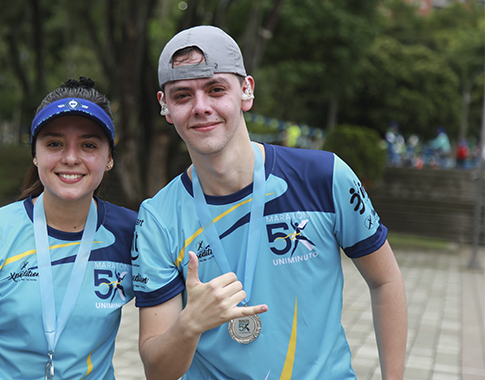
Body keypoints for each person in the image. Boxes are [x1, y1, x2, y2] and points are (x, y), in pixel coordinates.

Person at [131, 25, 407, 380]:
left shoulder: (324, 177)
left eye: (216, 90)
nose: (201, 107)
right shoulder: (156, 218)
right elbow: (157, 371)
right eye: (182, 96)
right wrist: (189, 326)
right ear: (165, 107)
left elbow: (386, 281)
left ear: (246, 91)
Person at [0, 77, 137, 379]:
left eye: (89, 145)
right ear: (35, 153)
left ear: (109, 160)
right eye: (54, 143)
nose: (70, 158)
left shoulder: (133, 233)